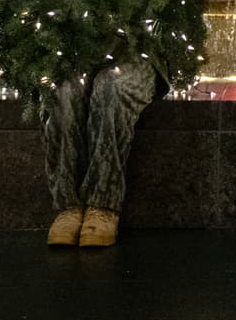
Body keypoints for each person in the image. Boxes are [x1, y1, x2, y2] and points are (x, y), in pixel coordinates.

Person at [42, 61, 161, 247]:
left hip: (134, 54)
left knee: (110, 89)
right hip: (73, 55)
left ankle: (103, 204)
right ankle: (68, 206)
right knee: (63, 91)